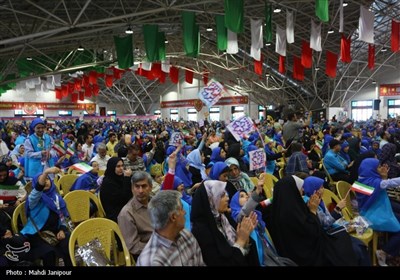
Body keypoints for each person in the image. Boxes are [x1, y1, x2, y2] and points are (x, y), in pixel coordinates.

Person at [267, 175, 357, 266]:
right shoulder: (292, 212)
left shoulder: (282, 208)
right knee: (344, 245)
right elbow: (313, 232)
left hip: (304, 247)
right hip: (305, 255)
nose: (302, 190)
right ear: (292, 190)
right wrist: (313, 211)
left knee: (344, 238)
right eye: (300, 188)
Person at [191, 180, 260, 266]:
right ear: (210, 200)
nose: (227, 198)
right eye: (222, 195)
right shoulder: (201, 231)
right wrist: (241, 241)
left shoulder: (224, 217)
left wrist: (246, 238)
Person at [136, 190, 205, 266]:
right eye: (182, 209)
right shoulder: (152, 261)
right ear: (173, 217)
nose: (185, 212)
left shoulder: (186, 235)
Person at [20, 167, 71, 266]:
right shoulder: (34, 198)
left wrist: (61, 228)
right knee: (49, 252)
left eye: (48, 179)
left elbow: (63, 217)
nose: (46, 181)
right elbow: (38, 190)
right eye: (43, 179)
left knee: (68, 242)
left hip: (55, 232)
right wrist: (46, 173)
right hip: (37, 234)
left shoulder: (56, 197)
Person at [357, 158, 400, 266]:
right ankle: (384, 251)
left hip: (369, 212)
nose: (380, 168)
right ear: (371, 169)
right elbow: (390, 183)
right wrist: (384, 179)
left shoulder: (362, 179)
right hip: (373, 216)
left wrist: (383, 177)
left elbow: (379, 191)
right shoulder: (374, 182)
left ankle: (391, 246)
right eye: (378, 167)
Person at [117, 171, 153, 260]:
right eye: (137, 187)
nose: (140, 191)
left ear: (150, 188)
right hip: (146, 254)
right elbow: (134, 247)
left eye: (144, 186)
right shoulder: (127, 213)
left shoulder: (155, 203)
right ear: (132, 189)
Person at [100, 158, 132, 222]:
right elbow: (124, 198)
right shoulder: (108, 182)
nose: (121, 168)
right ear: (112, 167)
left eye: (122, 165)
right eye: (118, 166)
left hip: (124, 208)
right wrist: (127, 179)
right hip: (115, 213)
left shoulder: (120, 178)